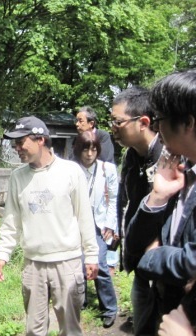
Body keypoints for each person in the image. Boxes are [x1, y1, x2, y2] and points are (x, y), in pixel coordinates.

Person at [0, 115, 99, 336]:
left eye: (21, 142)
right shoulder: (17, 177)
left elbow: (84, 217)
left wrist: (91, 255)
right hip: (33, 265)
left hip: (67, 262)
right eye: (15, 144)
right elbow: (11, 221)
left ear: (40, 140)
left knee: (70, 329)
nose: (17, 148)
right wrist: (2, 254)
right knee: (33, 330)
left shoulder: (70, 171)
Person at [124, 69, 196, 332]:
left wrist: (152, 256)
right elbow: (133, 243)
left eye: (160, 119)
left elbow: (191, 261)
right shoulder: (175, 170)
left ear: (188, 123)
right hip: (158, 305)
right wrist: (158, 196)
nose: (156, 127)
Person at [110, 86, 163, 335]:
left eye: (118, 121)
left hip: (167, 265)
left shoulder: (170, 156)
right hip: (141, 262)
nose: (113, 127)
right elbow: (127, 202)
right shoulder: (131, 157)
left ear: (143, 122)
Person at [72, 131, 118, 328]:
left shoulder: (107, 169)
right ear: (78, 149)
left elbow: (114, 199)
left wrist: (110, 224)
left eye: (93, 149)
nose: (90, 154)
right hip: (75, 223)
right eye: (85, 148)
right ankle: (80, 301)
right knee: (76, 263)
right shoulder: (71, 169)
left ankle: (109, 308)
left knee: (99, 263)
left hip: (98, 223)